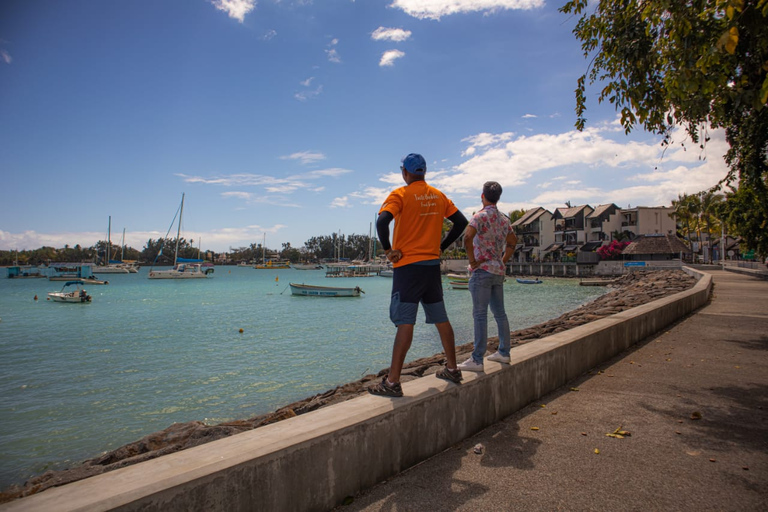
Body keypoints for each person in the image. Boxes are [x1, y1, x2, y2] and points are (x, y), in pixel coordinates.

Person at [369, 153, 469, 397]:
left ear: (405, 172)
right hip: (431, 267)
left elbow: (382, 222)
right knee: (440, 318)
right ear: (424, 171)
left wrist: (388, 251)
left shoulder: (400, 195)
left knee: (405, 323)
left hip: (408, 268)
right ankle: (453, 368)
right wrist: (441, 247)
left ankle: (392, 383)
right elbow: (461, 222)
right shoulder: (438, 195)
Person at [458, 181, 517, 372]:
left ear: (482, 196)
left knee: (480, 314)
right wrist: (503, 260)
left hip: (482, 271)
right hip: (497, 271)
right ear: (498, 197)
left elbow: (467, 237)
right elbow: (512, 242)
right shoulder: (504, 220)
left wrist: (472, 260)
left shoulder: (479, 217)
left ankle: (477, 359)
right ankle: (504, 352)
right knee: (500, 313)